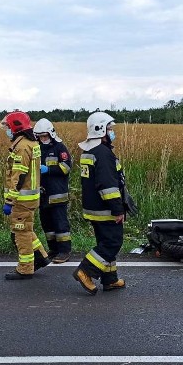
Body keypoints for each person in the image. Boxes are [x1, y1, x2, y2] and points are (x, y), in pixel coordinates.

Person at [72, 111, 128, 295]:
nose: (112, 132)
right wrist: (117, 209)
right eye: (110, 129)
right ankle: (85, 271)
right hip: (105, 209)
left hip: (93, 207)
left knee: (105, 241)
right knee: (112, 243)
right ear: (101, 129)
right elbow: (108, 186)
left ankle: (110, 279)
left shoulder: (90, 150)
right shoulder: (103, 153)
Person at [0, 110, 50, 280]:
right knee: (27, 229)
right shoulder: (32, 143)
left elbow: (19, 176)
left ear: (15, 128)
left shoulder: (21, 147)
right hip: (31, 197)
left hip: (21, 199)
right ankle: (41, 256)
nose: (7, 130)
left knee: (20, 233)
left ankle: (25, 268)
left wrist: (9, 200)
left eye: (8, 127)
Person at [33, 118, 73, 264]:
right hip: (43, 194)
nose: (43, 139)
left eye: (45, 136)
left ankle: (64, 251)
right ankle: (53, 249)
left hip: (57, 194)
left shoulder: (59, 148)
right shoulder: (36, 148)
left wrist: (48, 169)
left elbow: (66, 167)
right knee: (47, 225)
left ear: (51, 134)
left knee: (60, 225)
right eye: (40, 136)